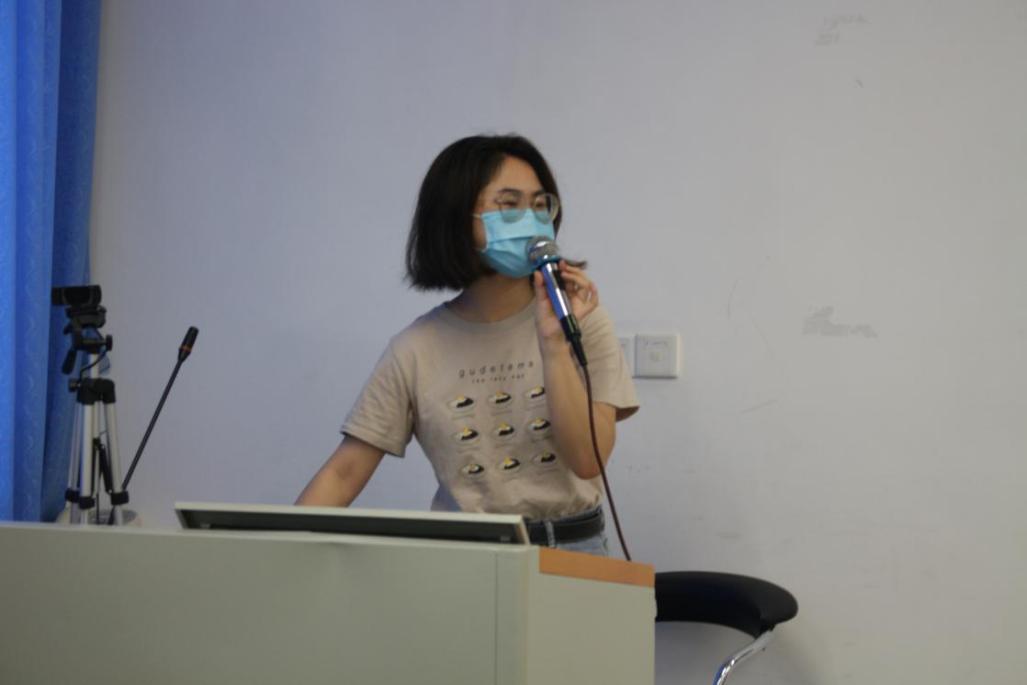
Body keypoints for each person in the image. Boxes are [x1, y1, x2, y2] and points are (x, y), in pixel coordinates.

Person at [297, 134, 638, 556]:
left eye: (539, 205)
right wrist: (275, 554)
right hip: (466, 555)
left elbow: (587, 460)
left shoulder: (582, 321)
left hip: (574, 547)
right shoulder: (416, 348)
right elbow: (344, 473)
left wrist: (553, 346)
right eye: (508, 205)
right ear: (457, 219)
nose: (530, 220)